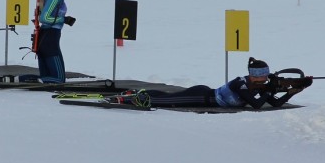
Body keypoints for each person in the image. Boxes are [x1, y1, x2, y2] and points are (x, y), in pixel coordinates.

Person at [122, 58, 313, 109]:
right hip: (201, 96)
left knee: (167, 98)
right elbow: (256, 104)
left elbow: (275, 103)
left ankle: (140, 94)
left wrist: (292, 92)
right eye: (261, 76)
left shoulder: (259, 87)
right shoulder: (242, 84)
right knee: (165, 101)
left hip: (205, 96)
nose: (264, 78)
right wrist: (269, 90)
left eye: (265, 76)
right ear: (253, 75)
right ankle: (133, 98)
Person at [20, 0, 75, 83]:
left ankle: (20, 80)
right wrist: (64, 19)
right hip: (50, 39)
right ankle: (26, 80)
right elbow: (44, 18)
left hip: (45, 38)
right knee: (59, 80)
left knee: (48, 78)